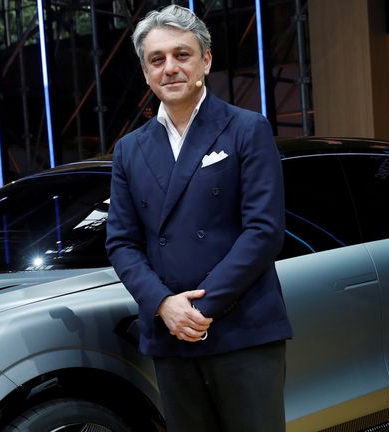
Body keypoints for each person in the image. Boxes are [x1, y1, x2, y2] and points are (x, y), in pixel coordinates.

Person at [105, 4, 292, 432]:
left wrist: (201, 308)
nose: (170, 68)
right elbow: (121, 241)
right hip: (169, 333)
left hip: (242, 328)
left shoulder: (247, 128)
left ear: (205, 61)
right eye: (157, 59)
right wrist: (163, 305)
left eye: (181, 55)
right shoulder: (129, 149)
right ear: (146, 71)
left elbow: (264, 230)